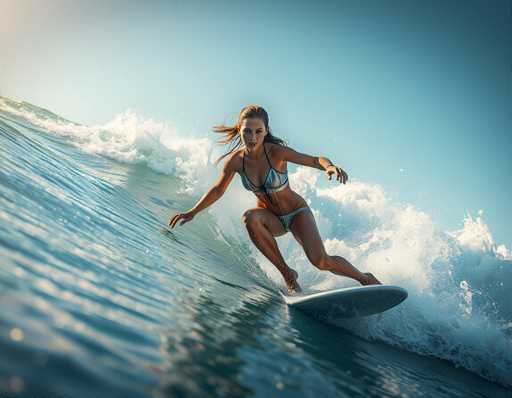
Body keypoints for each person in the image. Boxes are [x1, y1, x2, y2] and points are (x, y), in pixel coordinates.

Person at [169, 105, 381, 293]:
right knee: (250, 217)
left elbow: (315, 160)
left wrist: (330, 166)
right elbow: (218, 190)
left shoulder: (276, 153)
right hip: (272, 219)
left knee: (320, 261)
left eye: (258, 131)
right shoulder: (236, 162)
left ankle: (365, 279)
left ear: (266, 131)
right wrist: (192, 212)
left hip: (297, 213)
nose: (252, 137)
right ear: (239, 130)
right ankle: (288, 275)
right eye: (247, 131)